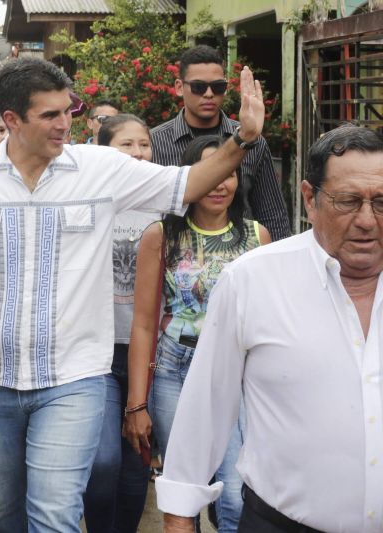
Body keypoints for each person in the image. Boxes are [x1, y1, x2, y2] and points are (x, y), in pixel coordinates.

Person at [0, 56, 266, 533]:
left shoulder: (100, 168)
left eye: (68, 111)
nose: (65, 124)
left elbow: (189, 183)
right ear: (11, 120)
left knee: (55, 516)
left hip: (73, 379)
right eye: (50, 115)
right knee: (1, 516)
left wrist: (241, 137)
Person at [157, 125, 383, 533]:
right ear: (310, 199)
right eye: (348, 201)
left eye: (382, 202)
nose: (367, 220)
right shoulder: (253, 280)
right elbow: (208, 402)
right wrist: (179, 513)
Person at [125, 134, 270, 533]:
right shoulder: (161, 235)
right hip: (176, 368)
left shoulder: (257, 237)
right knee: (182, 492)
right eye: (213, 174)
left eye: (230, 174)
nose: (221, 184)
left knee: (235, 495)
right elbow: (143, 323)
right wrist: (136, 405)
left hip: (236, 373)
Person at [81, 114, 156, 533]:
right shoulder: (88, 200)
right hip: (99, 350)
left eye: (143, 144)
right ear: (102, 150)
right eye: (126, 144)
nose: (137, 153)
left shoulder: (167, 203)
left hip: (151, 354)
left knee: (137, 460)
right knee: (104, 459)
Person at [151, 44, 290, 242]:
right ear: (179, 87)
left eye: (217, 87)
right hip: (176, 260)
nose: (209, 94)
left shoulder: (251, 140)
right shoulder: (155, 143)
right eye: (199, 87)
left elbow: (272, 215)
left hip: (241, 255)